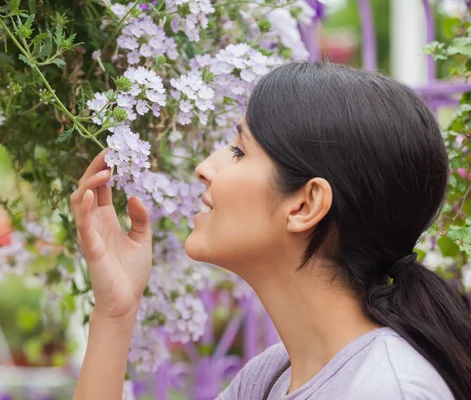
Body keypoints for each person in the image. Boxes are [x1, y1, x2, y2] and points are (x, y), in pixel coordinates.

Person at [69, 61, 471, 400]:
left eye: (240, 151)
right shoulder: (272, 377)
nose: (205, 167)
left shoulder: (386, 389)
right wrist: (116, 310)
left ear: (305, 205)